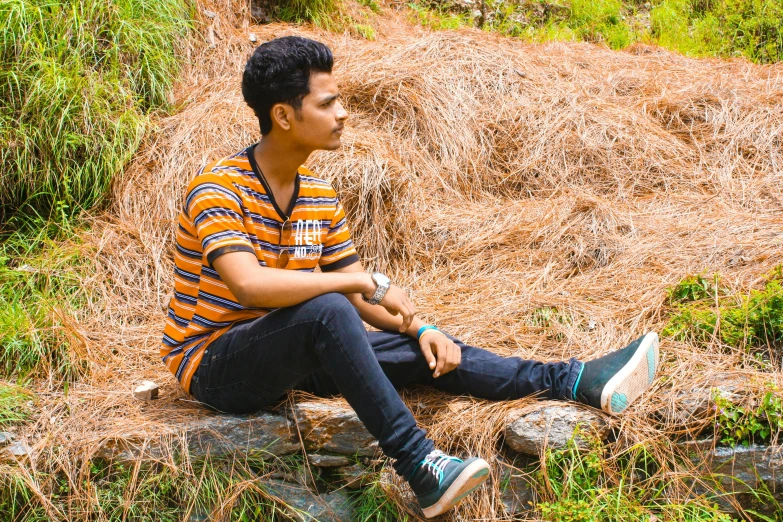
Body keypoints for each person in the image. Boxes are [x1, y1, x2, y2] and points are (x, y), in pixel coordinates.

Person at [160, 36, 660, 518]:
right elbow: (252, 285)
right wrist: (355, 286)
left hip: (289, 350)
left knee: (422, 348)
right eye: (328, 103)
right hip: (215, 365)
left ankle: (573, 380)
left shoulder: (318, 192)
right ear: (284, 115)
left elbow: (355, 292)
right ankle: (421, 465)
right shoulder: (218, 189)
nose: (343, 114)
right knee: (329, 310)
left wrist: (420, 328)